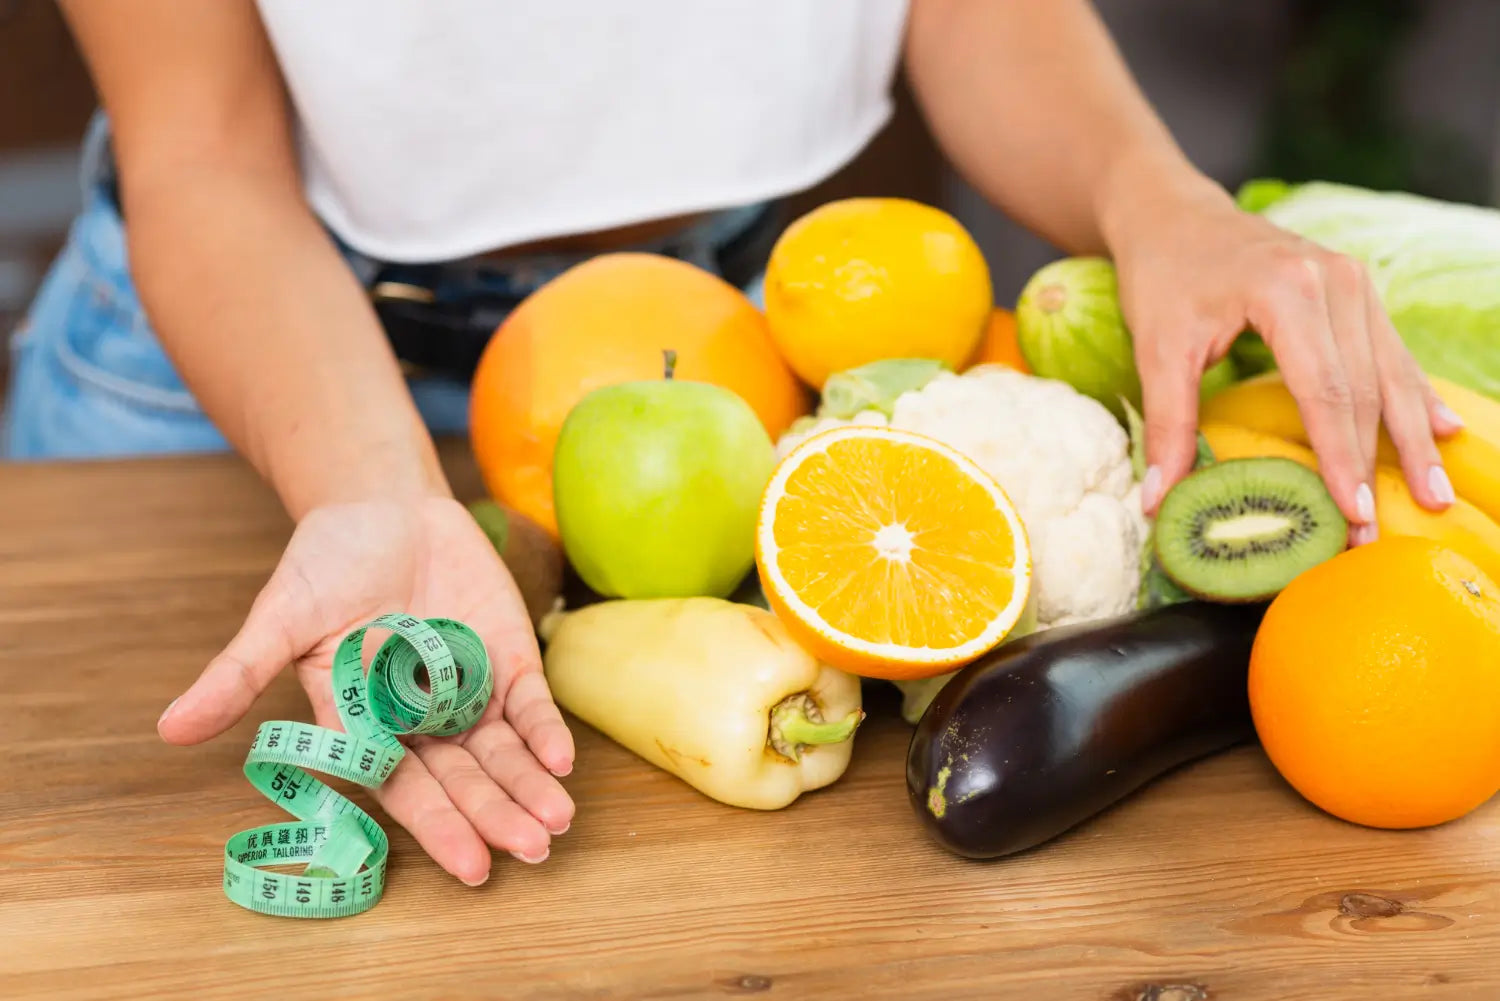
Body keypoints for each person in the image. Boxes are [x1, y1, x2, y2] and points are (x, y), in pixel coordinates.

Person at [3, 0, 1463, 887]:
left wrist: (1156, 198)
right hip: (240, 365)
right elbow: (200, 149)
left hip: (726, 343)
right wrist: (373, 486)